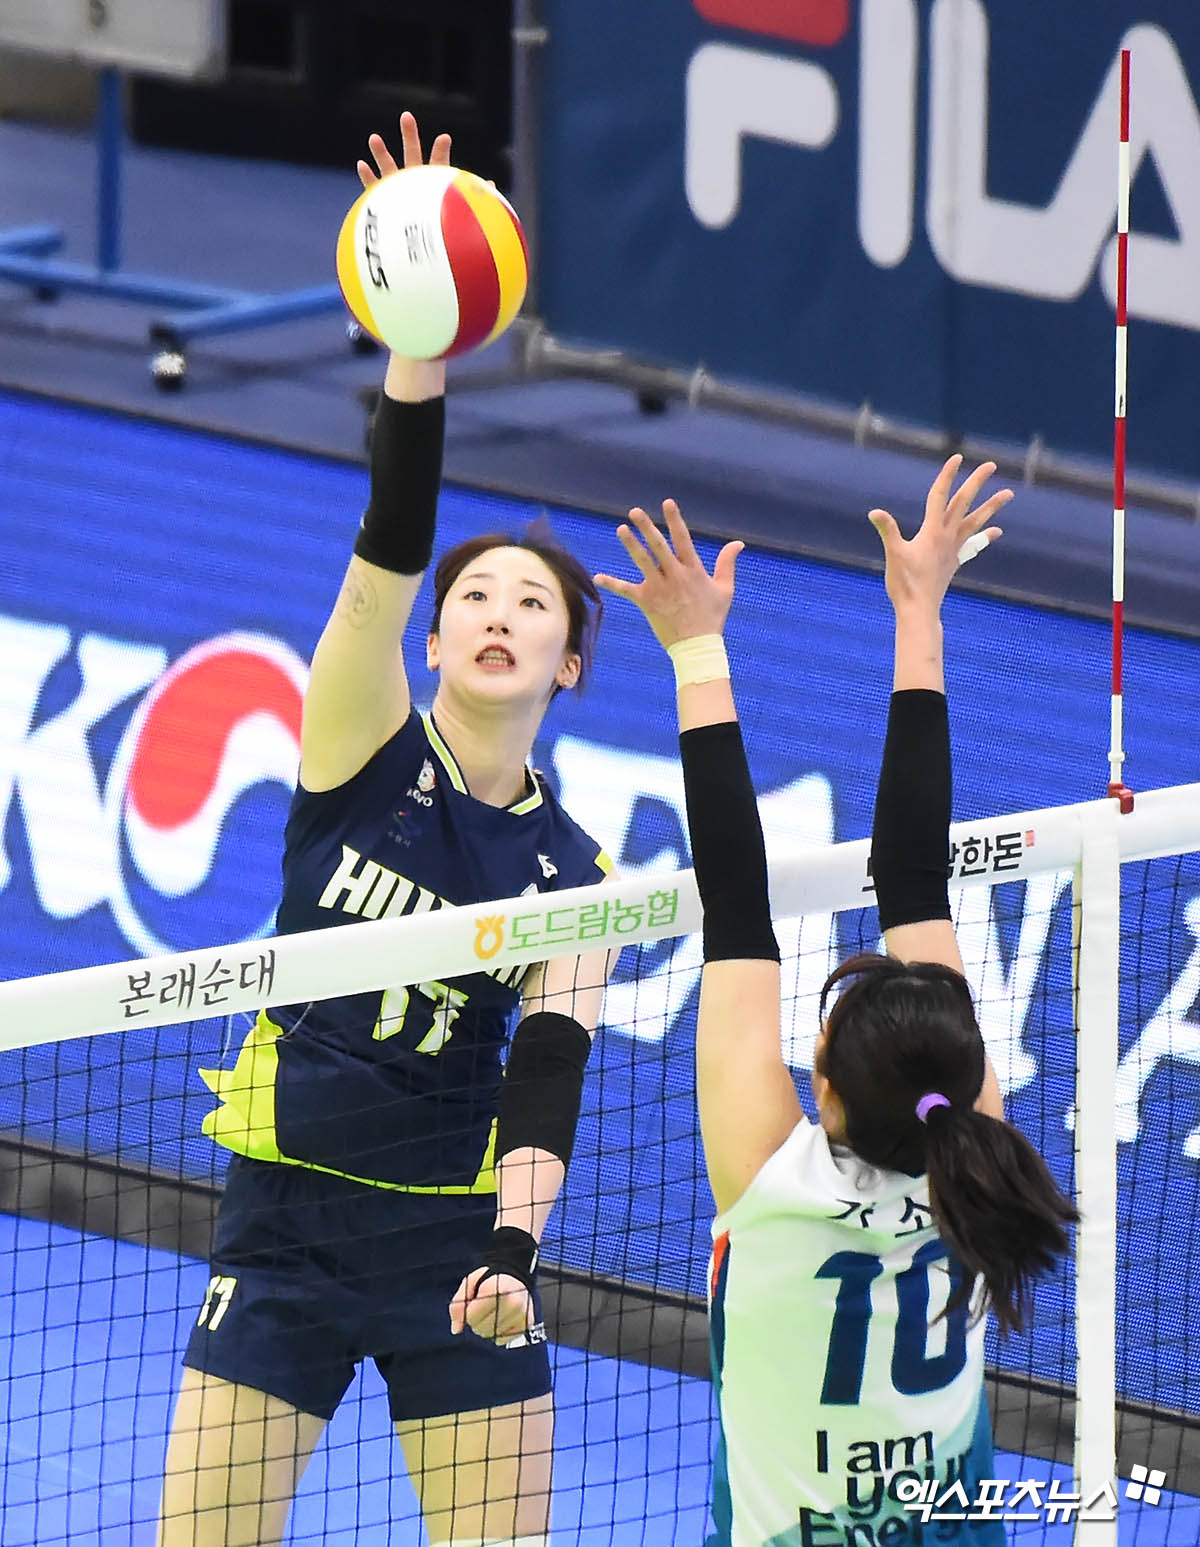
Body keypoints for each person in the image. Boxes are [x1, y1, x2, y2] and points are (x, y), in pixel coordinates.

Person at [158, 114, 612, 1547]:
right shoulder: (357, 741)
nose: (497, 614)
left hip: (452, 1239)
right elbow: (396, 534)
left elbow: (547, 1075)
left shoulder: (578, 874)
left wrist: (513, 1250)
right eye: (475, 598)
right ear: (431, 638)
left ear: (570, 665)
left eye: (532, 604)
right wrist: (420, 341)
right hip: (284, 1220)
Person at [594, 460, 1079, 1546]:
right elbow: (900, 876)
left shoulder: (774, 1177)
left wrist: (698, 648)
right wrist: (920, 611)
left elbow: (740, 890)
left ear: (821, 1084)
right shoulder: (977, 1156)